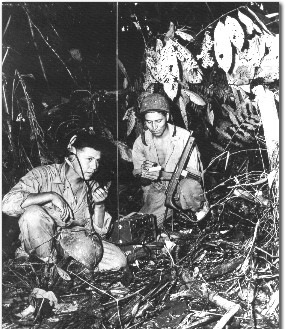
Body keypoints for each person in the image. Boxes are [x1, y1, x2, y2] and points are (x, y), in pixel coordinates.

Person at [2, 130, 127, 271]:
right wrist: (51, 196)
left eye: (97, 161)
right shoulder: (43, 175)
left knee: (118, 261)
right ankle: (47, 267)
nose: (94, 167)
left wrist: (99, 204)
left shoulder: (92, 186)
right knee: (32, 214)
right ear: (70, 157)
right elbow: (6, 204)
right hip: (41, 241)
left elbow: (99, 234)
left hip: (74, 241)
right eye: (89, 159)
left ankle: (67, 266)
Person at [132, 93, 209, 229]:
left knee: (190, 187)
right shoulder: (141, 142)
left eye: (158, 121)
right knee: (142, 228)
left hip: (182, 188)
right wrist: (145, 174)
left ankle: (198, 211)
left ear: (167, 117)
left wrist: (161, 174)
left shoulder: (184, 137)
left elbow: (195, 176)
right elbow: (141, 179)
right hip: (158, 192)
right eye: (149, 122)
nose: (154, 127)